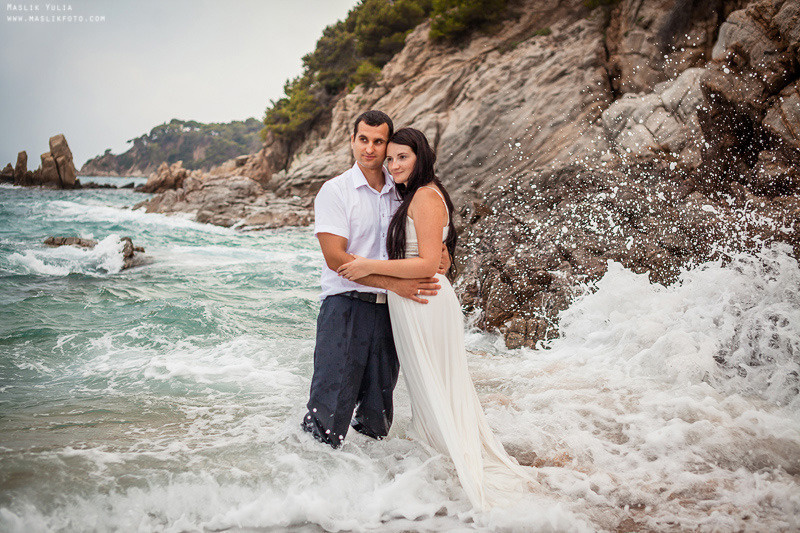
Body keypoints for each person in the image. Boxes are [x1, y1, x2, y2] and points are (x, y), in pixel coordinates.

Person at [338, 128, 536, 510]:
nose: (392, 164)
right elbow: (434, 256)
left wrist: (366, 267)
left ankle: (455, 466)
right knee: (428, 387)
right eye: (390, 158)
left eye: (402, 158)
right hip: (413, 300)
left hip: (424, 302)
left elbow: (429, 263)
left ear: (421, 157)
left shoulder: (426, 196)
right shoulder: (413, 194)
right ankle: (439, 466)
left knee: (438, 385)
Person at [302, 111, 448, 448]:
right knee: (329, 409)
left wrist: (444, 252)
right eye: (363, 139)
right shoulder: (335, 191)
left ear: (387, 145)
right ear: (352, 141)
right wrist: (394, 284)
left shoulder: (403, 189)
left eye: (378, 141)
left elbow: (429, 234)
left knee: (377, 413)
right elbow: (335, 257)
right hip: (347, 307)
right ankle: (309, 484)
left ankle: (368, 488)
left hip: (394, 313)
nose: (370, 148)